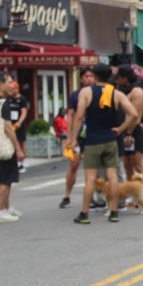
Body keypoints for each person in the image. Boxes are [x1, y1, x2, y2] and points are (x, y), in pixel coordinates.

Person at [70, 63, 138, 224]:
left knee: (90, 178)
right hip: (110, 139)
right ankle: (114, 211)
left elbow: (79, 116)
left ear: (94, 76)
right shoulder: (116, 93)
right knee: (113, 176)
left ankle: (84, 214)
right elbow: (134, 114)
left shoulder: (86, 92)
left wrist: (73, 138)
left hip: (92, 140)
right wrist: (120, 129)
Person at [0, 71, 25, 223]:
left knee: (2, 177)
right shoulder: (4, 104)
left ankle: (6, 207)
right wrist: (18, 149)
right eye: (9, 83)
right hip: (4, 145)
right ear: (0, 84)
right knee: (6, 179)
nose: (12, 86)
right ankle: (0, 210)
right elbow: (8, 128)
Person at [60, 67, 95, 209]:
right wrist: (69, 136)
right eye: (86, 76)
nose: (89, 79)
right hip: (78, 134)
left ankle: (91, 197)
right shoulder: (75, 95)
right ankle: (67, 195)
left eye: (91, 76)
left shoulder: (97, 93)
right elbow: (71, 115)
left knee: (91, 167)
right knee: (74, 164)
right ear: (81, 79)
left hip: (93, 133)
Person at [115, 64, 143, 189]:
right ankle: (131, 191)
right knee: (127, 164)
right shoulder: (125, 90)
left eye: (119, 78)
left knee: (137, 164)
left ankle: (142, 192)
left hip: (133, 130)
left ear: (125, 78)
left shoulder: (137, 92)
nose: (118, 80)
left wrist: (129, 133)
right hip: (124, 129)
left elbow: (135, 115)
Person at [8, 81, 29, 173]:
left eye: (13, 89)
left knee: (21, 144)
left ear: (17, 89)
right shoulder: (9, 99)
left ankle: (22, 163)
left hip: (19, 125)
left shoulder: (22, 99)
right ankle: (14, 163)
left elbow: (24, 112)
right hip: (11, 124)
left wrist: (19, 122)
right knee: (12, 143)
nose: (11, 91)